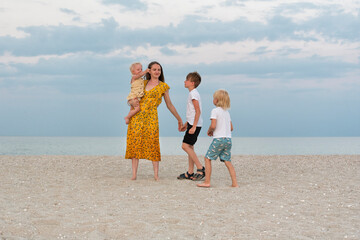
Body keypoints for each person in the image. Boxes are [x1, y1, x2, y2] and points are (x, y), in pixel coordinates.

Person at [125, 61, 183, 181]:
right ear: (149, 71)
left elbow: (169, 105)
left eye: (159, 70)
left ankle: (156, 175)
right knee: (135, 144)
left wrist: (179, 118)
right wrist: (130, 110)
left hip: (152, 118)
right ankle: (134, 174)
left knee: (153, 144)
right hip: (137, 117)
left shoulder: (163, 86)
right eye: (155, 69)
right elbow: (133, 93)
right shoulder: (142, 82)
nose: (157, 72)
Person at [197, 89, 238, 188]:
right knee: (227, 161)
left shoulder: (215, 111)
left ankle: (207, 181)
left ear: (216, 100)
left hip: (219, 139)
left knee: (207, 158)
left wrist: (210, 130)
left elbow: (213, 125)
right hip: (228, 140)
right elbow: (231, 128)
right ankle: (235, 183)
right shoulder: (227, 113)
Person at [177, 72, 205, 181]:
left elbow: (198, 111)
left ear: (192, 83)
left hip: (195, 124)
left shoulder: (193, 94)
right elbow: (192, 113)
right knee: (190, 147)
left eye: (186, 80)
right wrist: (186, 125)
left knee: (185, 146)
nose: (185, 81)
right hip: (192, 124)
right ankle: (190, 172)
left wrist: (193, 126)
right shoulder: (193, 93)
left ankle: (200, 168)